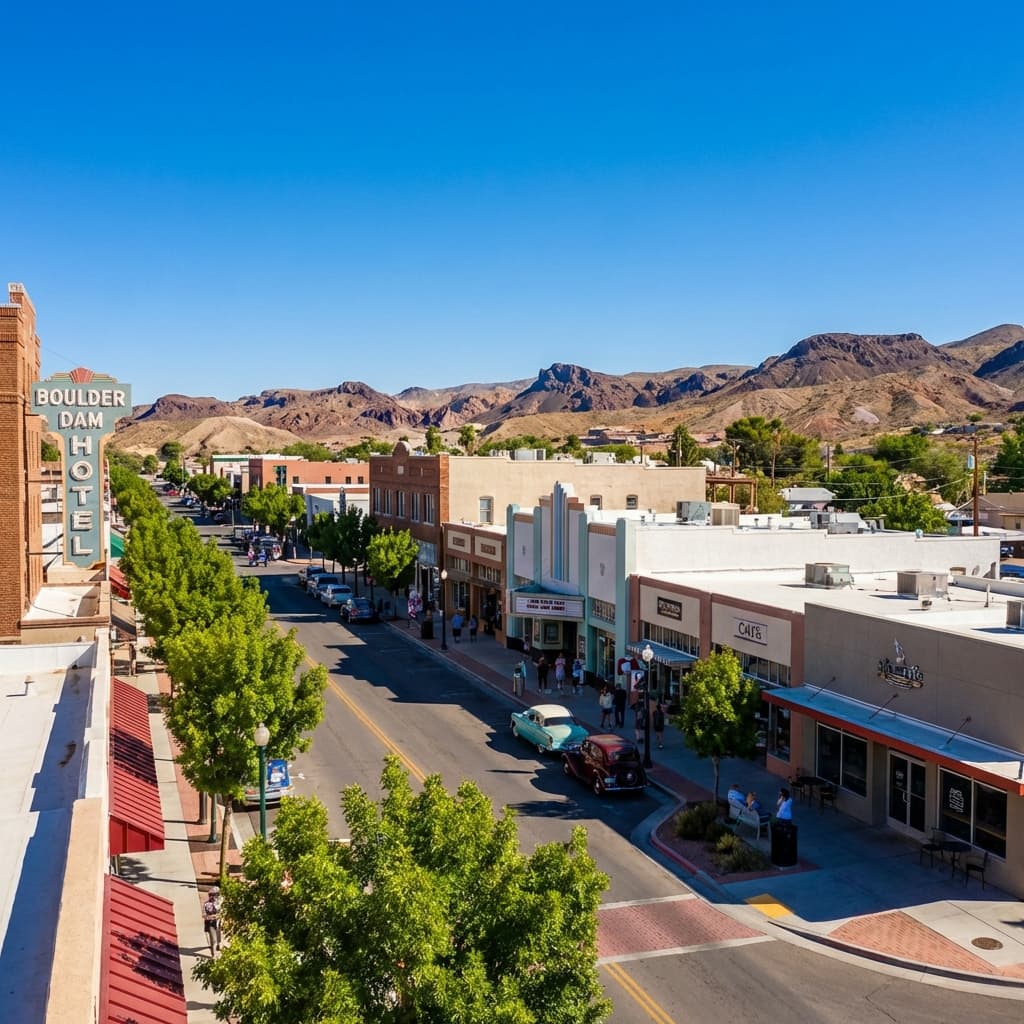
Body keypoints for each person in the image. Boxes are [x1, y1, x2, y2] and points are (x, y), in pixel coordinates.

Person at [202, 886, 222, 957]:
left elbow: (222, 912)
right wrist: (211, 917)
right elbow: (204, 915)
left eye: (214, 895)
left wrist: (218, 916)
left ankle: (218, 944)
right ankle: (213, 954)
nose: (212, 897)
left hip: (218, 922)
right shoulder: (206, 904)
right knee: (213, 939)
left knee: (218, 935)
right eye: (211, 895)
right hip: (210, 923)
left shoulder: (219, 903)